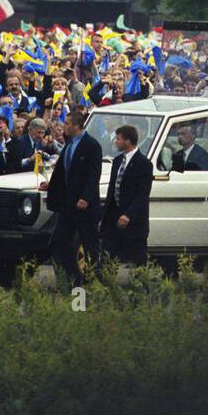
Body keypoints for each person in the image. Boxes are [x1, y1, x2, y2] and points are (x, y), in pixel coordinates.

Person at [40, 106, 102, 285]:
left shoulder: (91, 146)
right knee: (59, 243)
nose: (64, 126)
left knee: (89, 245)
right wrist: (51, 185)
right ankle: (74, 277)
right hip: (68, 204)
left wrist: (86, 197)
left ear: (77, 126)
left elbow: (93, 175)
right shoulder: (69, 145)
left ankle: (94, 281)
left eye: (67, 123)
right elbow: (62, 170)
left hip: (84, 206)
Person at [100, 125, 154, 265]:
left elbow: (142, 194)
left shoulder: (144, 164)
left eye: (118, 139)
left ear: (128, 141)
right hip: (114, 217)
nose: (115, 142)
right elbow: (112, 189)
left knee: (137, 260)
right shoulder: (117, 161)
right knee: (109, 257)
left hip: (133, 221)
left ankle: (140, 285)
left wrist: (128, 214)